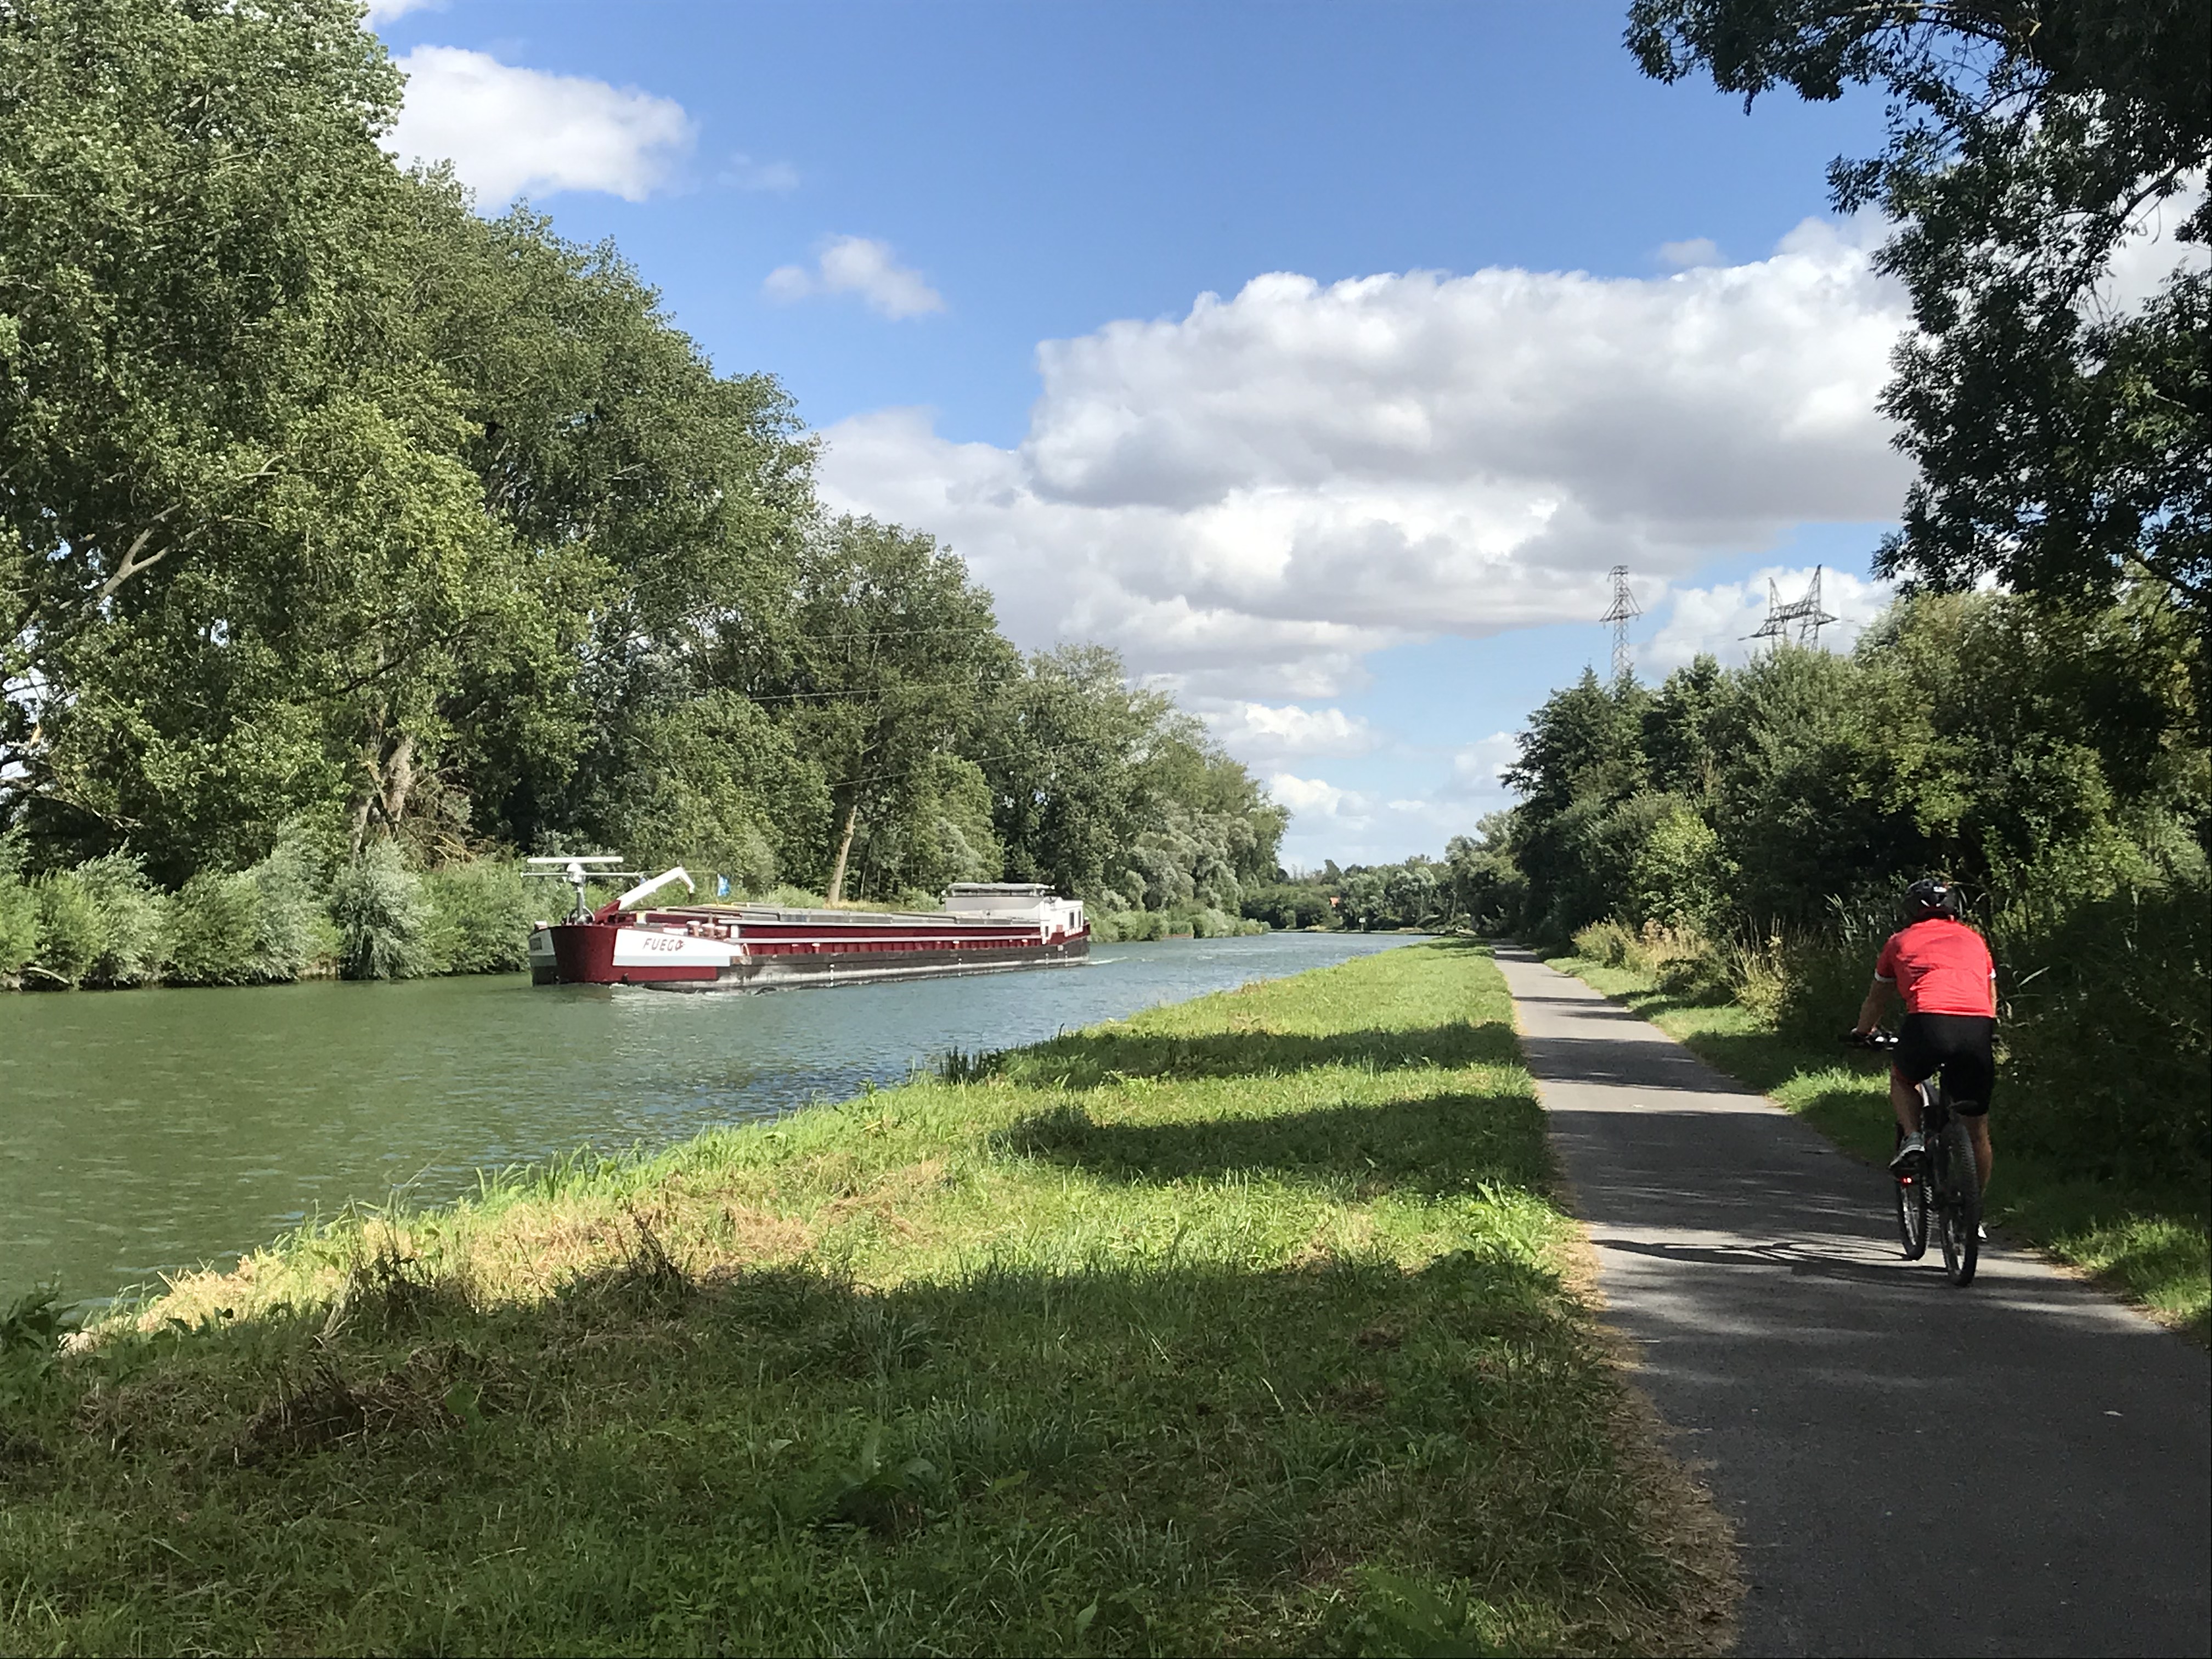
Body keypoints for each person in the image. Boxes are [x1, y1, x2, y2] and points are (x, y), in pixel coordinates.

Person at [1853, 878, 1997, 1195]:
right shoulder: (1975, 941)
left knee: (1903, 1078)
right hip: (1977, 1027)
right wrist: (1985, 1033)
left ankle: (1914, 1137)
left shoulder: (1899, 942)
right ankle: (1973, 1215)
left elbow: (1877, 999)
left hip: (1929, 1023)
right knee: (1977, 1131)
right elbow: (1990, 996)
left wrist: (1863, 1033)